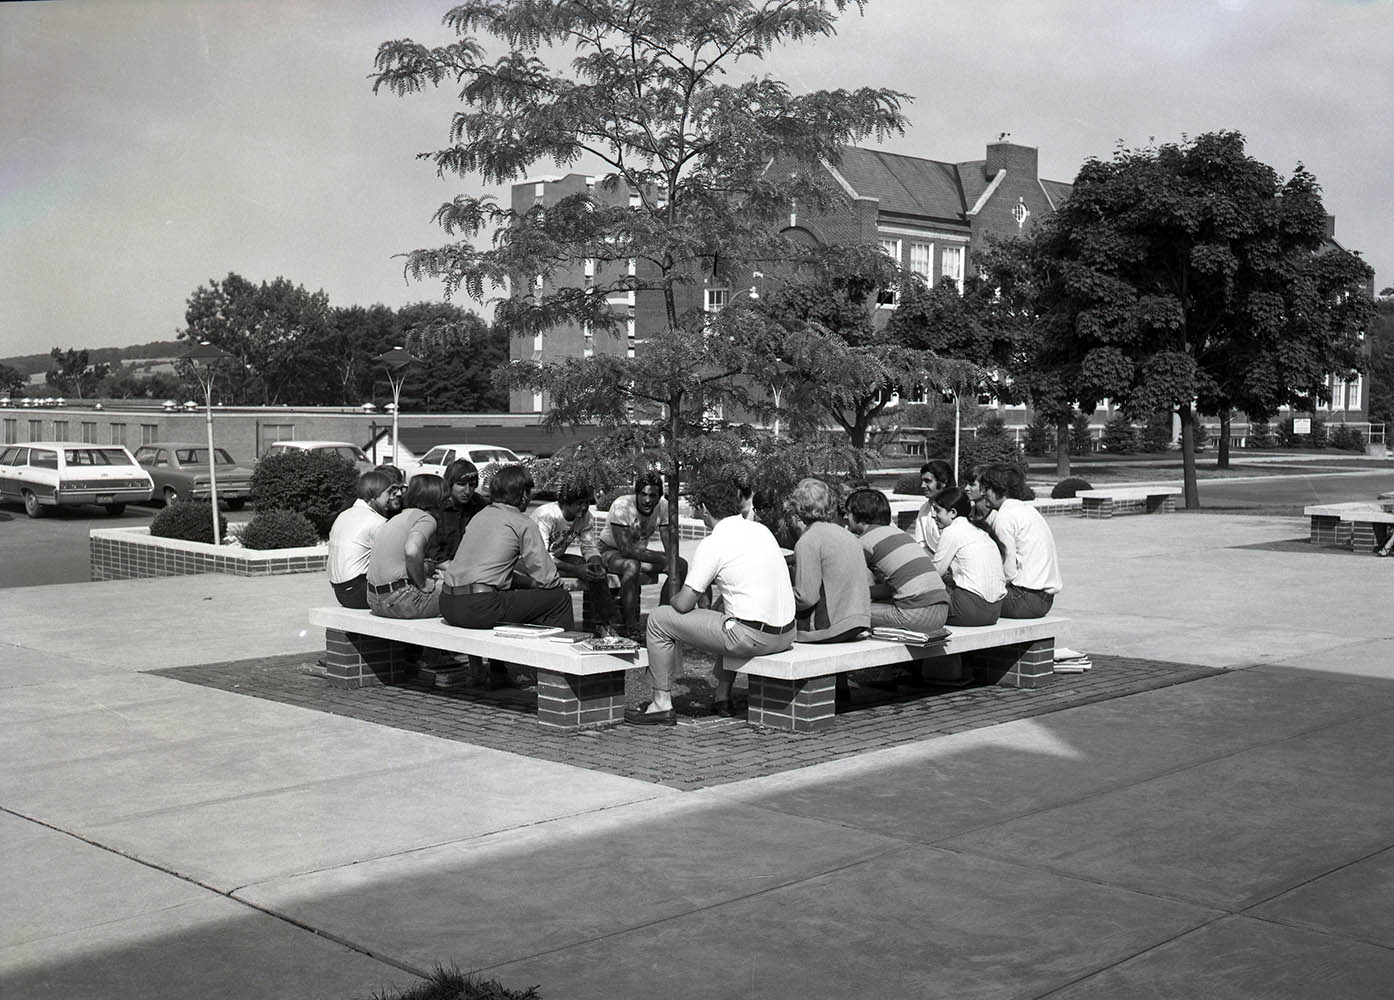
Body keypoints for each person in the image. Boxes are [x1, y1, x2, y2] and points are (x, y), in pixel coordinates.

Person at [628, 479, 795, 725]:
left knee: (659, 619)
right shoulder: (761, 531)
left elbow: (684, 604)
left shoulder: (713, 543)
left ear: (704, 509)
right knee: (728, 619)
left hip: (752, 638)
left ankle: (661, 704)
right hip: (787, 634)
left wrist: (672, 597)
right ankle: (722, 696)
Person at [439, 464, 575, 632]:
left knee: (517, 598)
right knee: (560, 599)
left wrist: (530, 585)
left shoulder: (479, 516)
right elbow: (547, 578)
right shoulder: (522, 522)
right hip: (479, 607)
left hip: (447, 603)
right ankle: (555, 655)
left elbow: (489, 573)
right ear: (523, 495)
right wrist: (554, 585)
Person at [843, 488, 950, 635]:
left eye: (848, 512)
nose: (845, 516)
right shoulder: (901, 534)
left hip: (915, 615)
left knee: (847, 612)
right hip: (941, 612)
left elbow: (844, 585)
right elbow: (894, 586)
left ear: (858, 514)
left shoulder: (864, 543)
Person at [598, 470, 687, 635]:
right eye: (643, 494)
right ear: (636, 493)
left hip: (638, 553)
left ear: (659, 496)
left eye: (653, 495)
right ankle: (631, 626)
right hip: (611, 551)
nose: (647, 500)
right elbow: (625, 549)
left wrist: (670, 560)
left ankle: (662, 619)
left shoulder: (664, 506)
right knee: (631, 565)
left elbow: (670, 547)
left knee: (679, 565)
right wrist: (663, 558)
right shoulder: (622, 505)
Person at [789, 477, 870, 643]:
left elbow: (806, 598)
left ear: (798, 508)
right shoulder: (847, 534)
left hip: (830, 627)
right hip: (859, 621)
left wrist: (780, 595)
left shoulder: (808, 541)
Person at [977, 465, 1062, 618]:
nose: (983, 493)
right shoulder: (1028, 510)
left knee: (965, 600)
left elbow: (1008, 572)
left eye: (987, 489)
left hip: (1023, 599)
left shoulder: (1004, 517)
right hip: (1045, 600)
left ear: (1000, 489)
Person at [531, 482, 619, 631]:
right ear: (565, 502)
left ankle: (604, 624)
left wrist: (596, 564)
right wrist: (576, 570)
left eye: (586, 502)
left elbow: (589, 546)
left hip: (554, 559)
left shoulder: (585, 517)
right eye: (579, 503)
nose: (584, 507)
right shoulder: (546, 515)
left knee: (593, 570)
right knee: (578, 568)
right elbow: (541, 556)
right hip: (530, 562)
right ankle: (566, 628)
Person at [366, 474, 447, 620]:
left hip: (373, 600)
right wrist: (423, 584)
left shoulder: (398, 517)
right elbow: (412, 550)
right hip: (400, 601)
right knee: (462, 597)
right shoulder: (426, 518)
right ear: (437, 498)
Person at [929, 487, 1005, 626]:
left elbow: (934, 574)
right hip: (994, 612)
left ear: (952, 513)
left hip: (969, 611)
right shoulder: (980, 531)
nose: (934, 515)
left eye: (937, 510)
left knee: (921, 596)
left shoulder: (952, 531)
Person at [325, 469, 401, 609]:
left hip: (340, 592)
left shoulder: (344, 515)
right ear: (374, 495)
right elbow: (393, 562)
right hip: (359, 592)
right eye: (389, 493)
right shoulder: (376, 521)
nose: (393, 497)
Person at [429, 459, 488, 563]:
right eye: (461, 484)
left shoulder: (479, 505)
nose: (467, 491)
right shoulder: (436, 508)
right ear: (449, 484)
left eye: (472, 485)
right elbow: (431, 551)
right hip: (441, 568)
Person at [911, 459, 954, 555]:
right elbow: (922, 544)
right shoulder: (924, 509)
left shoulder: (960, 507)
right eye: (922, 481)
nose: (922, 485)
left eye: (927, 481)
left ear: (943, 482)